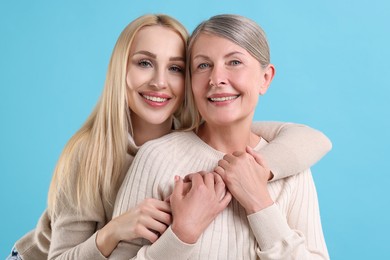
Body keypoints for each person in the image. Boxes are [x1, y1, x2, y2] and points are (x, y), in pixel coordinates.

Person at [8, 14, 331, 260]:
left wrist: (255, 180)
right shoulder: (97, 154)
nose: (160, 82)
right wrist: (114, 232)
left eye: (175, 68)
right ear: (120, 71)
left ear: (265, 77)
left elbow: (310, 138)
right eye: (144, 63)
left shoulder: (280, 157)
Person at [111, 14, 330, 259]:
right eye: (203, 65)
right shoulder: (156, 157)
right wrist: (182, 234)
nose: (216, 79)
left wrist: (260, 203)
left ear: (265, 78)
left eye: (234, 62)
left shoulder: (292, 170)